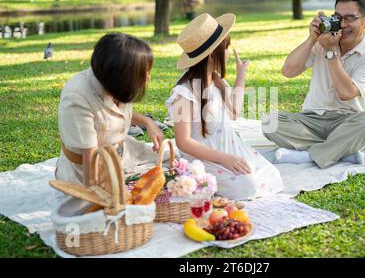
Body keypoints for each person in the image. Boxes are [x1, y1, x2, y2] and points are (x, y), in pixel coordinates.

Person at [262, 0, 365, 169]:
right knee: (269, 122)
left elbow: (346, 93)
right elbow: (288, 71)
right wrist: (311, 38)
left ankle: (309, 156)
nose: (342, 24)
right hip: (311, 119)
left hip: (347, 121)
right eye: (337, 17)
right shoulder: (323, 41)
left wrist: (331, 50)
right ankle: (341, 151)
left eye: (350, 18)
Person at [165, 13, 284, 200]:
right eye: (226, 48)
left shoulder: (218, 83)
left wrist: (241, 75)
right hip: (205, 158)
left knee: (272, 175)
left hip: (230, 149)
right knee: (248, 186)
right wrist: (225, 159)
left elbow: (234, 112)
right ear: (213, 55)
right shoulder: (184, 93)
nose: (228, 53)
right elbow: (183, 141)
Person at [55, 33, 164, 185]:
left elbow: (114, 113)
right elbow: (91, 163)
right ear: (121, 75)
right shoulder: (77, 97)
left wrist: (147, 122)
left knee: (169, 168)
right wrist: (101, 197)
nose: (147, 78)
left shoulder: (114, 84)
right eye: (142, 72)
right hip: (85, 172)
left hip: (121, 154)